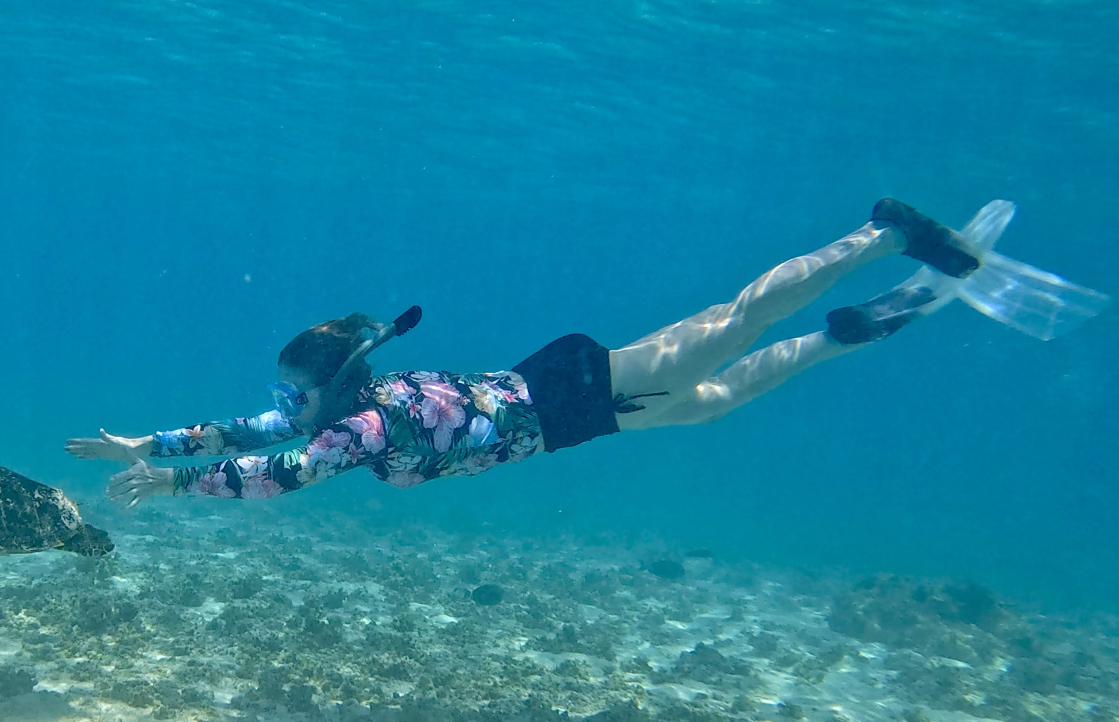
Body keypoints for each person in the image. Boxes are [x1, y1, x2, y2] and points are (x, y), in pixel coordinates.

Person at [67, 199, 1106, 505]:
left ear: (334, 380)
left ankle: (883, 233)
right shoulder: (345, 407)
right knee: (732, 388)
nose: (285, 398)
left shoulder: (363, 426)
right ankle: (867, 321)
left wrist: (178, 485)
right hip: (574, 419)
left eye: (297, 383)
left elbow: (279, 469)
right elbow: (256, 430)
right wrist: (143, 444)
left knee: (732, 323)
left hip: (564, 386)